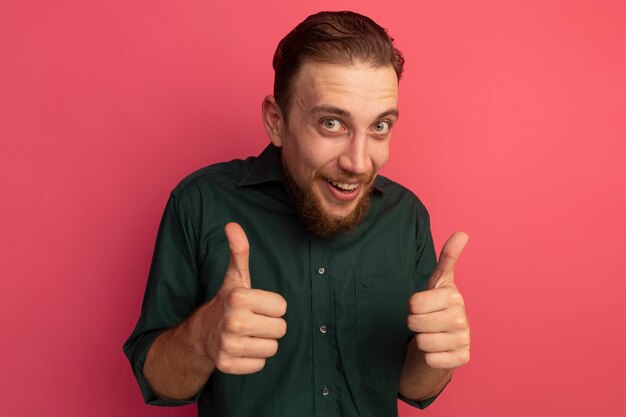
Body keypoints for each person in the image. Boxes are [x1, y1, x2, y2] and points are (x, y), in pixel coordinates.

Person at [124, 10, 470, 417]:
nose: (359, 163)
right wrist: (202, 336)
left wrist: (437, 357)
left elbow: (413, 389)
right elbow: (158, 382)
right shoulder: (199, 202)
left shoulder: (406, 216)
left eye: (379, 127)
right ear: (276, 121)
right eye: (331, 123)